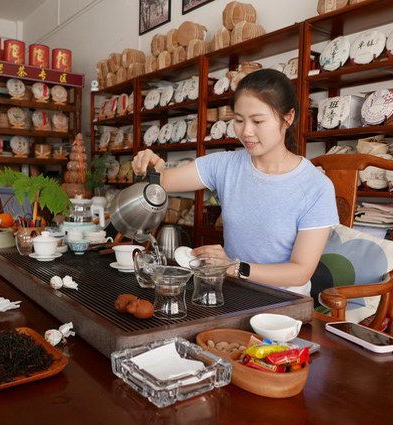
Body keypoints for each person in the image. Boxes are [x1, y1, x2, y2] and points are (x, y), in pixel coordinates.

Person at [132, 69, 338, 296]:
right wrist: (149, 166)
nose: (246, 131)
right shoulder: (225, 165)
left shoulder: (316, 186)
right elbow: (162, 182)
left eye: (258, 121)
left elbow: (300, 272)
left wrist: (233, 267)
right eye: (239, 120)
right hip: (232, 290)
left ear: (288, 118)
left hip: (284, 300)